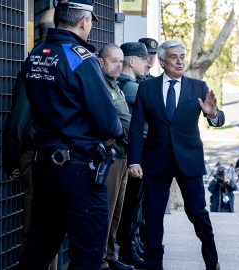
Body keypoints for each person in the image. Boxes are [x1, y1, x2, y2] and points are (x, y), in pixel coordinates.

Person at [18, 0, 124, 269]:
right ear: (84, 21)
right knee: (87, 254)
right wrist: (111, 131)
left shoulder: (37, 53)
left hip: (44, 166)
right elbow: (108, 121)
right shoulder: (81, 58)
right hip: (78, 170)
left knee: (38, 249)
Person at [127, 40, 225, 270]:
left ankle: (212, 262)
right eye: (174, 57)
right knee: (152, 215)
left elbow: (219, 119)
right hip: (155, 161)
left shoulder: (198, 87)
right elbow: (136, 125)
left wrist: (212, 115)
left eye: (182, 56)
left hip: (188, 160)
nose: (180, 61)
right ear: (162, 61)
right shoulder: (147, 88)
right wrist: (134, 160)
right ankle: (154, 264)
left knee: (198, 213)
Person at [2, 9, 59, 270]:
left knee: (48, 232)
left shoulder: (56, 60)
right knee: (36, 232)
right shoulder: (39, 63)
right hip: (37, 156)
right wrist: (13, 158)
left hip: (55, 157)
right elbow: (20, 118)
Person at [97, 44, 133, 270]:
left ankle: (110, 257)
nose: (118, 65)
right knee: (106, 212)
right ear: (101, 62)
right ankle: (100, 260)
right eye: (113, 60)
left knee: (116, 212)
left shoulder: (116, 86)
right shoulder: (100, 85)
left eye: (121, 61)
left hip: (123, 156)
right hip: (110, 157)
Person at [115, 42, 150, 269]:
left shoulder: (132, 84)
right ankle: (127, 251)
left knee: (130, 207)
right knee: (129, 207)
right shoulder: (130, 87)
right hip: (131, 152)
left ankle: (128, 248)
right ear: (132, 62)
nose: (148, 63)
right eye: (144, 59)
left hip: (133, 150)